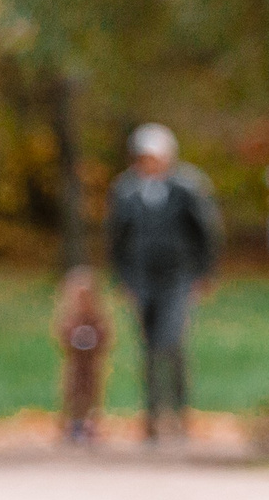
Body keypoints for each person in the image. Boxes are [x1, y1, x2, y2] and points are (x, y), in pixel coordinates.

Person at [104, 123, 222, 442]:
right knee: (148, 346)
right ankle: (152, 416)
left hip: (178, 276)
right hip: (142, 277)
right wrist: (123, 277)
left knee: (172, 342)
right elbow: (116, 238)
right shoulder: (125, 191)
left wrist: (204, 274)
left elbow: (205, 234)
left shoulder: (187, 188)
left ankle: (180, 413)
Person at [51, 265, 112, 444]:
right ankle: (71, 424)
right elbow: (62, 336)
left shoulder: (97, 318)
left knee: (92, 393)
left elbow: (105, 336)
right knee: (72, 392)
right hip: (75, 365)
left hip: (91, 366)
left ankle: (90, 424)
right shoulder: (70, 318)